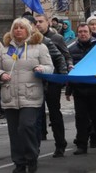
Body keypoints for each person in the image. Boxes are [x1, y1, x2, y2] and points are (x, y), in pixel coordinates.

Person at [0, 17, 54, 173]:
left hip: (30, 95)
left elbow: (50, 67)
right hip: (10, 96)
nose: (18, 30)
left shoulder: (39, 48)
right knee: (14, 132)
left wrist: (42, 69)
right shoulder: (4, 49)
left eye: (21, 27)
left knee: (26, 126)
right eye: (15, 27)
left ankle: (31, 158)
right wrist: (1, 75)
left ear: (28, 30)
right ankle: (19, 163)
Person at [66, 23, 96, 154]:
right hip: (79, 89)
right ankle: (82, 145)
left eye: (85, 31)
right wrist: (69, 89)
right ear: (77, 34)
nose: (83, 34)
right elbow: (71, 71)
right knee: (81, 118)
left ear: (90, 33)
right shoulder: (72, 50)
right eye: (80, 32)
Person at [33, 15, 71, 156]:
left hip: (52, 82)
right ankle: (35, 147)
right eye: (35, 22)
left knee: (54, 113)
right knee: (36, 115)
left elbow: (64, 57)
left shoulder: (56, 39)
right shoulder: (31, 40)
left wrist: (62, 77)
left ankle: (60, 144)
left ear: (48, 22)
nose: (38, 24)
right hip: (37, 82)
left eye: (40, 21)